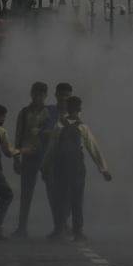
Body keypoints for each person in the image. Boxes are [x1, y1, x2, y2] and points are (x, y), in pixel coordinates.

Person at [41, 96, 111, 242]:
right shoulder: (82, 127)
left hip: (61, 167)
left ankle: (60, 229)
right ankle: (77, 231)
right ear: (79, 109)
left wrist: (45, 166)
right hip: (76, 167)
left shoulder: (59, 125)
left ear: (67, 108)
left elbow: (51, 148)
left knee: (61, 198)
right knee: (76, 199)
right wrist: (103, 169)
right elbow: (93, 148)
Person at [13, 82, 52, 238]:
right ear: (31, 94)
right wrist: (16, 158)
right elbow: (18, 136)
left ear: (45, 95)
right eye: (36, 93)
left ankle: (61, 226)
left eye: (41, 94)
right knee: (26, 193)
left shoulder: (49, 112)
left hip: (46, 155)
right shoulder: (24, 113)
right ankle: (22, 228)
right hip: (29, 155)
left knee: (54, 192)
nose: (38, 97)